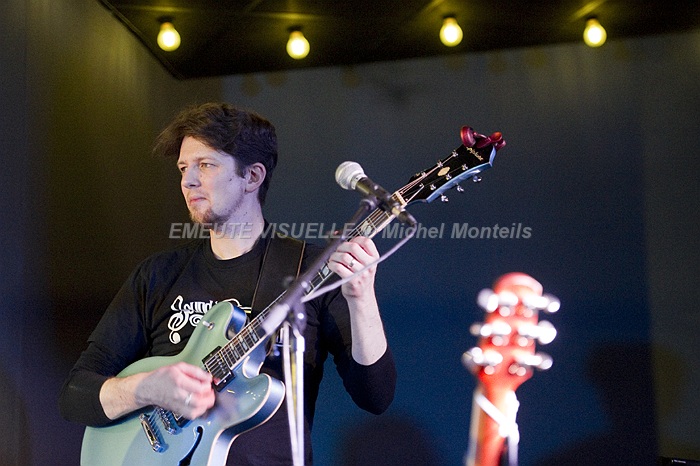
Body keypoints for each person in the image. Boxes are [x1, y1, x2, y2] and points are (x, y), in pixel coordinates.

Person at [59, 102, 397, 465]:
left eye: (205, 165)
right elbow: (75, 395)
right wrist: (145, 389)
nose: (188, 181)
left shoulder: (310, 269)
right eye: (184, 168)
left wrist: (361, 298)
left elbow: (375, 396)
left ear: (252, 177)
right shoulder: (157, 275)